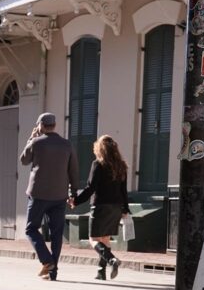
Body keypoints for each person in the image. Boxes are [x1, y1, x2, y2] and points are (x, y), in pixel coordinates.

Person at [20, 113, 78, 281]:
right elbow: (73, 170)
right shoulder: (67, 145)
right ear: (54, 125)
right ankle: (53, 272)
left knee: (31, 229)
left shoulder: (36, 143)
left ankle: (47, 261)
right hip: (59, 196)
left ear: (41, 126)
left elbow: (24, 160)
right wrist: (73, 192)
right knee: (56, 234)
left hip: (38, 194)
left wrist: (30, 139)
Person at [71, 135, 130, 280]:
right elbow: (124, 190)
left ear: (99, 148)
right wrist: (125, 208)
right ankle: (101, 272)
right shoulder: (121, 166)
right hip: (116, 206)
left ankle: (111, 260)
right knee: (105, 239)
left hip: (100, 206)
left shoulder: (98, 164)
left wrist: (76, 201)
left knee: (93, 239)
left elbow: (90, 188)